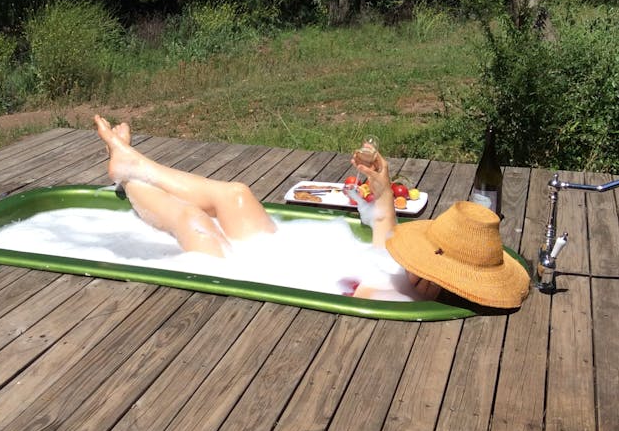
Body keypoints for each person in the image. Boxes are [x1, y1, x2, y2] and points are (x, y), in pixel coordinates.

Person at [94, 115, 530, 308]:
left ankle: (129, 176)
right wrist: (381, 191)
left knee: (194, 222)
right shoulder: (406, 277)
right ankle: (132, 162)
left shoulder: (398, 294)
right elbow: (384, 235)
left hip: (251, 271)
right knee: (238, 194)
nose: (422, 248)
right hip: (279, 253)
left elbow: (360, 284)